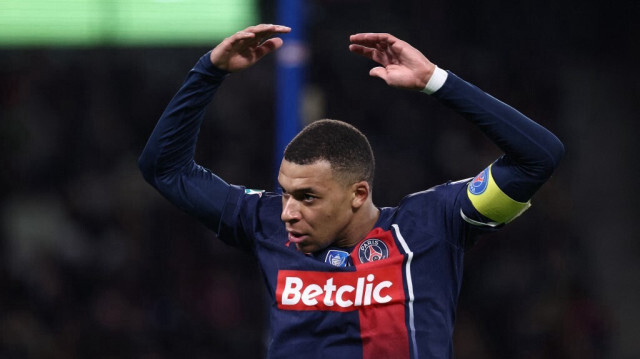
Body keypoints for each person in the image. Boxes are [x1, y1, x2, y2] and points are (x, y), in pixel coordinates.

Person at [139, 24, 564, 358]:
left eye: (307, 197)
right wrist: (208, 71)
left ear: (358, 193)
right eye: (285, 193)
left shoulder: (434, 225)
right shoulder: (265, 222)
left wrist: (436, 80)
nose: (287, 211)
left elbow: (538, 156)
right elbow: (165, 169)